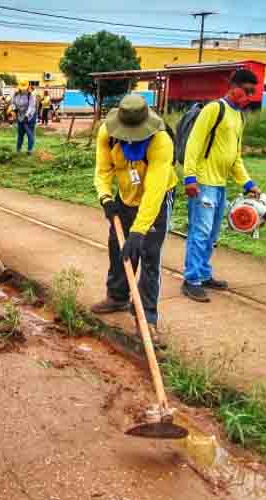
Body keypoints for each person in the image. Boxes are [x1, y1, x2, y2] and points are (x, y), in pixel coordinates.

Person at [91, 94, 178, 342]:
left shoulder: (160, 140)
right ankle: (117, 297)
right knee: (118, 246)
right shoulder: (107, 134)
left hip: (157, 199)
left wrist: (139, 231)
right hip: (124, 195)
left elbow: (154, 190)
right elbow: (103, 169)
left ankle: (146, 318)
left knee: (149, 254)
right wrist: (106, 198)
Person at [181, 69, 262, 302]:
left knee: (213, 233)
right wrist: (190, 177)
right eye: (246, 91)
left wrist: (247, 182)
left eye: (252, 93)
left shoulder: (239, 117)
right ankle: (191, 280)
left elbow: (235, 156)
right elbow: (194, 144)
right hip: (203, 183)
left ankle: (204, 274)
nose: (249, 97)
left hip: (220, 184)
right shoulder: (214, 109)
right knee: (201, 231)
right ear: (233, 87)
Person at [12, 80, 37, 154]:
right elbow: (13, 103)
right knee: (20, 134)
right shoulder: (16, 94)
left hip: (30, 117)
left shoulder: (30, 95)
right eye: (21, 87)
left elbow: (31, 107)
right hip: (20, 115)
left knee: (29, 133)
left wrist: (26, 116)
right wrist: (14, 110)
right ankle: (18, 150)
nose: (23, 89)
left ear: (27, 87)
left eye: (24, 87)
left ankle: (29, 150)